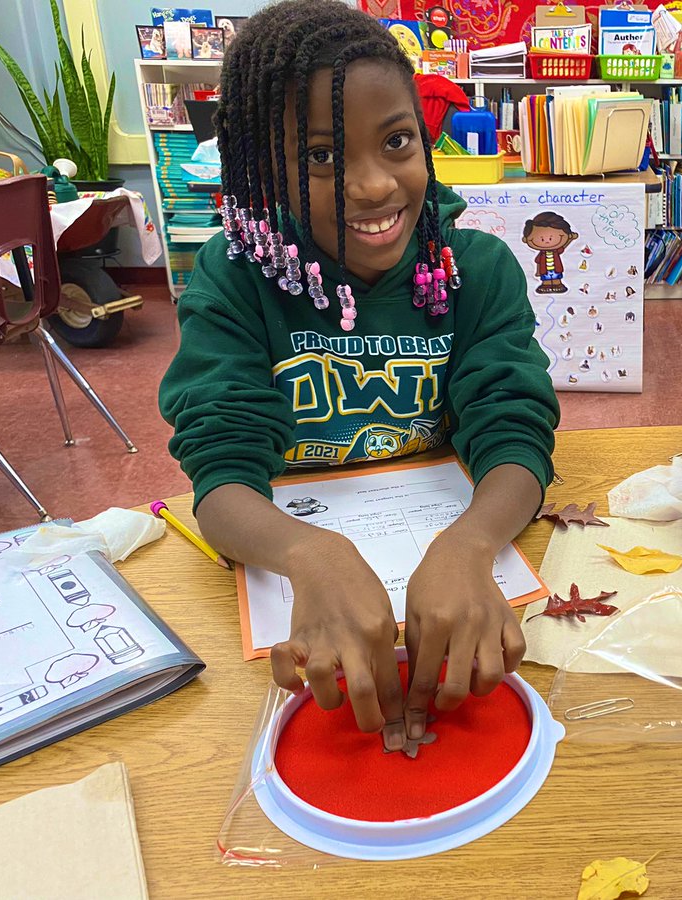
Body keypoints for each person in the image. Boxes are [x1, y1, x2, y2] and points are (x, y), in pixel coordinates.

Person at [159, 0, 558, 751]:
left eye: (397, 141)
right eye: (321, 156)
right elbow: (219, 472)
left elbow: (516, 434)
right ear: (259, 163)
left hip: (453, 571)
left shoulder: (475, 270)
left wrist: (471, 546)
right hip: (291, 587)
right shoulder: (235, 278)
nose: (375, 186)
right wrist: (311, 555)